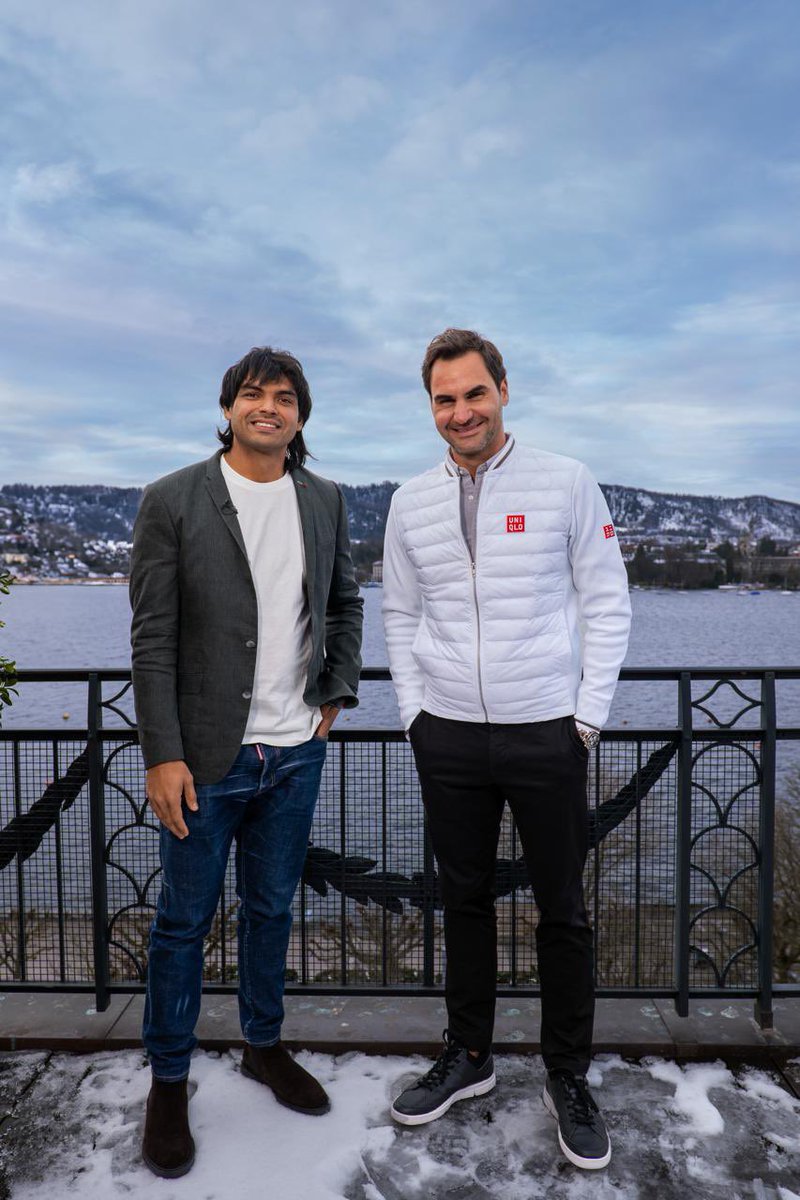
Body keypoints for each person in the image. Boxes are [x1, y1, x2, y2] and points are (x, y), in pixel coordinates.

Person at [382, 328, 631, 1170]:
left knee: (562, 911)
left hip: (544, 733)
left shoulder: (566, 482)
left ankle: (568, 1076)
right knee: (464, 903)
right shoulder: (409, 500)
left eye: (473, 393)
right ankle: (471, 1056)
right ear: (432, 407)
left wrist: (584, 721)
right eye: (444, 399)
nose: (461, 411)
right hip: (447, 733)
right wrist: (416, 714)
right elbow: (401, 613)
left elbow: (607, 605)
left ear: (504, 390)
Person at [130, 346, 363, 1178]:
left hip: (296, 753)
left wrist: (336, 686)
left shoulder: (325, 499)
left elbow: (344, 599)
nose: (270, 406)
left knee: (272, 911)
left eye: (286, 396)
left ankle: (263, 1045)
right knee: (182, 926)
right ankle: (168, 1079)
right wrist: (162, 754)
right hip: (204, 759)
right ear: (227, 406)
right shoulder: (172, 500)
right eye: (254, 394)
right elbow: (152, 638)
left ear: (302, 415)